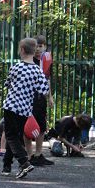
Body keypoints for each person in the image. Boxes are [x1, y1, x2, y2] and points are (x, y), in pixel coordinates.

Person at [1, 37, 50, 179]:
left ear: (22, 50)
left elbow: (7, 83)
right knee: (16, 136)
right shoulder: (37, 70)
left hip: (11, 106)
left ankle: (24, 162)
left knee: (10, 135)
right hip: (25, 109)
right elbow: (44, 90)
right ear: (34, 51)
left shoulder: (16, 67)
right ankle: (7, 165)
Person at [29, 34, 55, 167]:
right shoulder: (29, 60)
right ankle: (29, 155)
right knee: (28, 126)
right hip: (29, 97)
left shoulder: (47, 60)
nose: (38, 49)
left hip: (41, 98)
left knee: (41, 126)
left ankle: (38, 154)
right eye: (36, 46)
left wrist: (49, 96)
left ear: (45, 47)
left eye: (40, 46)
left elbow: (47, 79)